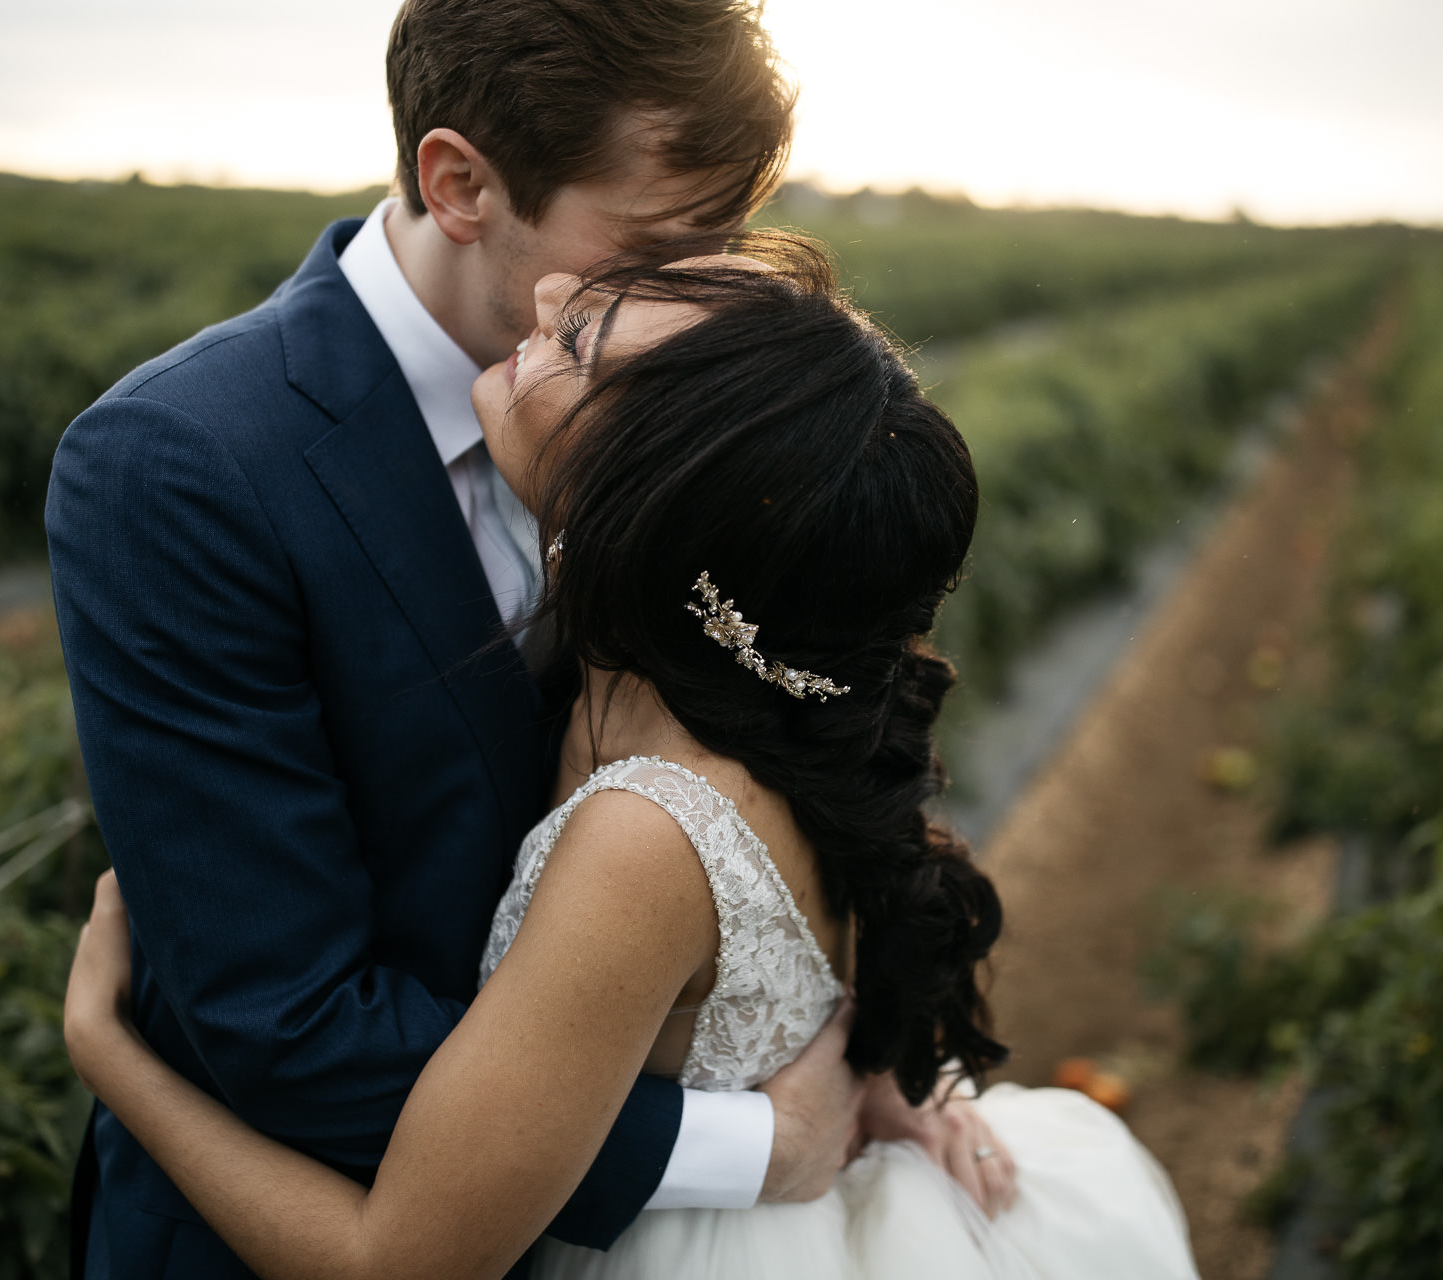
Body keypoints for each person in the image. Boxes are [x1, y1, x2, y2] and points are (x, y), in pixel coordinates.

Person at [63, 240, 1201, 1279]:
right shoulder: (766, 706)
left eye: (581, 344)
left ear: (643, 501)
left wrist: (115, 1054)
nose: (549, 295)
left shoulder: (645, 835)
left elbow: (394, 1262)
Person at [46, 3, 970, 1277]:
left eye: (727, 240)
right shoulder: (184, 463)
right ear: (462, 182)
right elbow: (289, 1025)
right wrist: (747, 1138)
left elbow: (798, 741)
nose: (712, 293)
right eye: (658, 243)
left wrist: (863, 1047)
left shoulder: (679, 436)